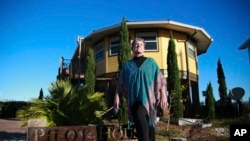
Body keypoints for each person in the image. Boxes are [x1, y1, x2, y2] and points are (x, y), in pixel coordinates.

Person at [114, 37, 168, 141]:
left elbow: (160, 80)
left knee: (150, 131)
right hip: (135, 101)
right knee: (140, 120)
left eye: (141, 45)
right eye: (136, 44)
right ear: (132, 48)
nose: (139, 46)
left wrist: (163, 95)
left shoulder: (151, 63)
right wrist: (116, 96)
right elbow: (120, 82)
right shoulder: (127, 66)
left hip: (150, 101)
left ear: (144, 49)